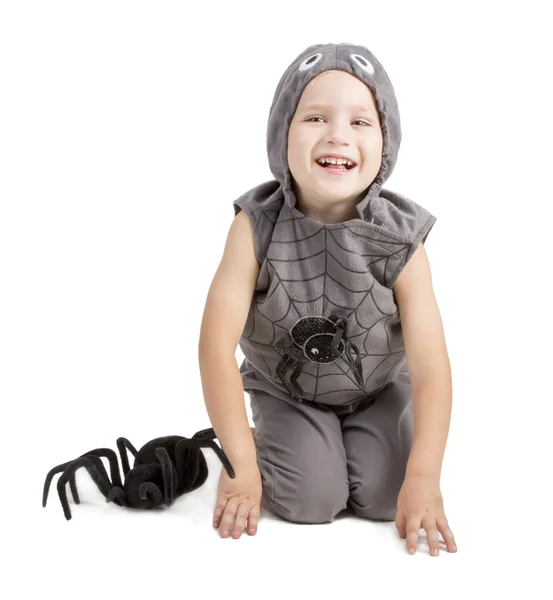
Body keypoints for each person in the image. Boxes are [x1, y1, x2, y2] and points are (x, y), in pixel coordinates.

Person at [198, 42, 458, 556]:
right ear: (281, 135)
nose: (337, 134)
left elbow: (432, 368)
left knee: (389, 498)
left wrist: (425, 477)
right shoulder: (254, 227)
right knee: (308, 501)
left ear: (386, 143)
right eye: (315, 117)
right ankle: (277, 431)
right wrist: (242, 465)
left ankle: (366, 433)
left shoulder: (400, 239)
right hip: (287, 385)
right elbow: (213, 347)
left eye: (361, 122)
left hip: (377, 386)